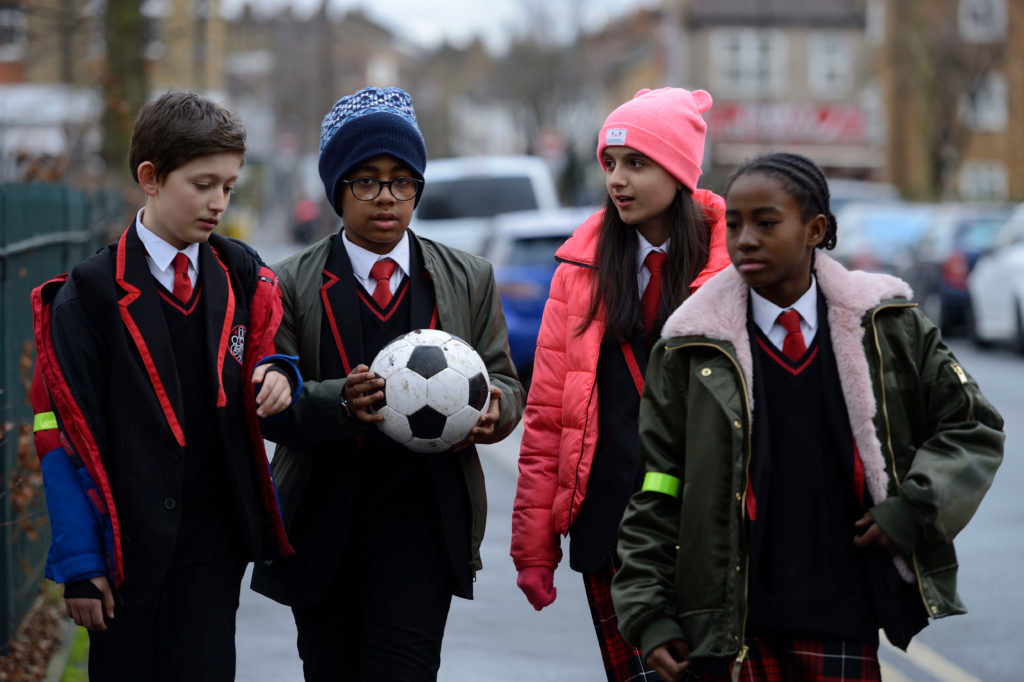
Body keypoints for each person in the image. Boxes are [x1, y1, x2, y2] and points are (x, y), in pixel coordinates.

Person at [611, 152, 1005, 682]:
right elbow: (657, 486)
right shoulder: (688, 349)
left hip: (843, 622)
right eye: (734, 224)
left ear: (815, 229)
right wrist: (649, 613)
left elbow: (973, 426)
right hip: (726, 632)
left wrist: (913, 510)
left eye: (766, 223)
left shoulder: (888, 327)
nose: (745, 239)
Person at [249, 86, 525, 682]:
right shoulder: (288, 282)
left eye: (402, 181)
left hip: (421, 526)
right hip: (321, 527)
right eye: (366, 181)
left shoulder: (468, 277)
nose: (386, 198)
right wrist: (338, 402)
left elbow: (504, 378)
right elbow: (268, 404)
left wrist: (494, 411)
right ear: (336, 190)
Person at [29, 91, 297, 681]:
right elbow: (60, 436)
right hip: (125, 547)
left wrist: (280, 373)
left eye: (228, 187)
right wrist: (80, 560)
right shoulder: (89, 294)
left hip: (214, 542)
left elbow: (271, 350)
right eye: (203, 184)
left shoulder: (241, 272)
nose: (218, 203)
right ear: (150, 177)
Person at [509, 87, 731, 681]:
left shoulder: (734, 265)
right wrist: (534, 548)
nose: (618, 180)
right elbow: (548, 415)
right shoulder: (579, 271)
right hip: (610, 532)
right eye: (610, 164)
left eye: (637, 162)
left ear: (679, 169)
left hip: (711, 532)